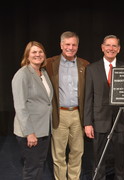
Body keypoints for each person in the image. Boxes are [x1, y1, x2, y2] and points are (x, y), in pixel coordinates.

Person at [84, 35, 124, 180]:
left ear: (119, 49)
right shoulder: (92, 69)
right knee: (99, 159)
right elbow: (88, 97)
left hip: (121, 121)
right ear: (102, 47)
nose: (111, 48)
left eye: (114, 46)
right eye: (108, 45)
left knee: (121, 160)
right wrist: (87, 123)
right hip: (99, 120)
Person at [46, 31, 89, 180]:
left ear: (77, 46)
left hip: (78, 114)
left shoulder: (84, 64)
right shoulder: (50, 63)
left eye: (74, 44)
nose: (70, 47)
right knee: (58, 154)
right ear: (61, 45)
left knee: (77, 152)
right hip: (59, 114)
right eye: (67, 44)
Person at [12, 41, 53, 179]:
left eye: (40, 52)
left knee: (39, 164)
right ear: (27, 55)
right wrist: (29, 133)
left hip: (43, 129)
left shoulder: (43, 72)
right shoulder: (22, 74)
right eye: (34, 52)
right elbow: (20, 107)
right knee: (31, 168)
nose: (38, 55)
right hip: (31, 131)